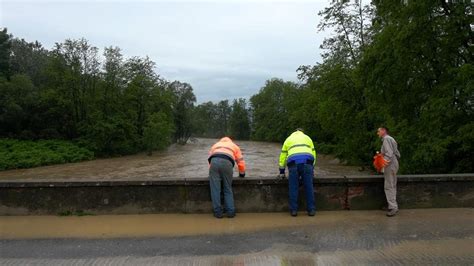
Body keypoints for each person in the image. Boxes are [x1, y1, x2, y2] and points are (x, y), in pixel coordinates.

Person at [278, 128, 317, 217]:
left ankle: (294, 211)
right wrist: (312, 168)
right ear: (302, 132)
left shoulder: (288, 139)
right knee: (309, 187)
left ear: (294, 132)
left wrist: (282, 171)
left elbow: (283, 156)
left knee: (293, 187)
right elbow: (313, 154)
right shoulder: (308, 138)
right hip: (307, 162)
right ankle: (311, 210)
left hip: (293, 163)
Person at [208, 137, 246, 218]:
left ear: (221, 141)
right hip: (227, 162)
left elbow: (210, 161)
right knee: (227, 189)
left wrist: (212, 173)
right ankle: (231, 212)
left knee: (215, 189)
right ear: (230, 141)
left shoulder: (215, 145)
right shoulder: (234, 146)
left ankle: (218, 213)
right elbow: (240, 162)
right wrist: (242, 174)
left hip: (214, 162)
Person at [377, 126, 401, 217]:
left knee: (389, 185)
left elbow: (389, 154)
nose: (378, 133)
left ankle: (393, 207)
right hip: (394, 162)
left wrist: (382, 164)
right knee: (392, 184)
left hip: (390, 164)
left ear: (383, 131)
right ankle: (392, 205)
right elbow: (397, 153)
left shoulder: (386, 139)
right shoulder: (391, 139)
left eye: (379, 131)